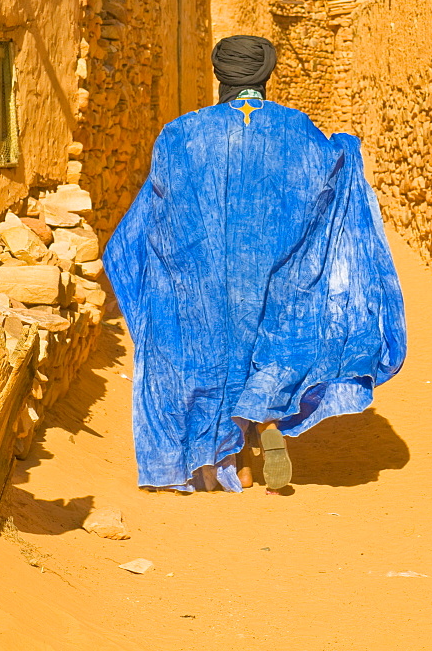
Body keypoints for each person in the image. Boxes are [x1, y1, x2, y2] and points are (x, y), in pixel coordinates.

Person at [103, 35, 406, 494]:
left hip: (204, 271)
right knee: (272, 339)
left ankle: (224, 462)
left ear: (219, 74)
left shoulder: (182, 134)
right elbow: (327, 177)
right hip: (277, 269)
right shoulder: (296, 129)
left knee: (210, 351)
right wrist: (345, 151)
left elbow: (161, 210)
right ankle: (264, 419)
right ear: (266, 74)